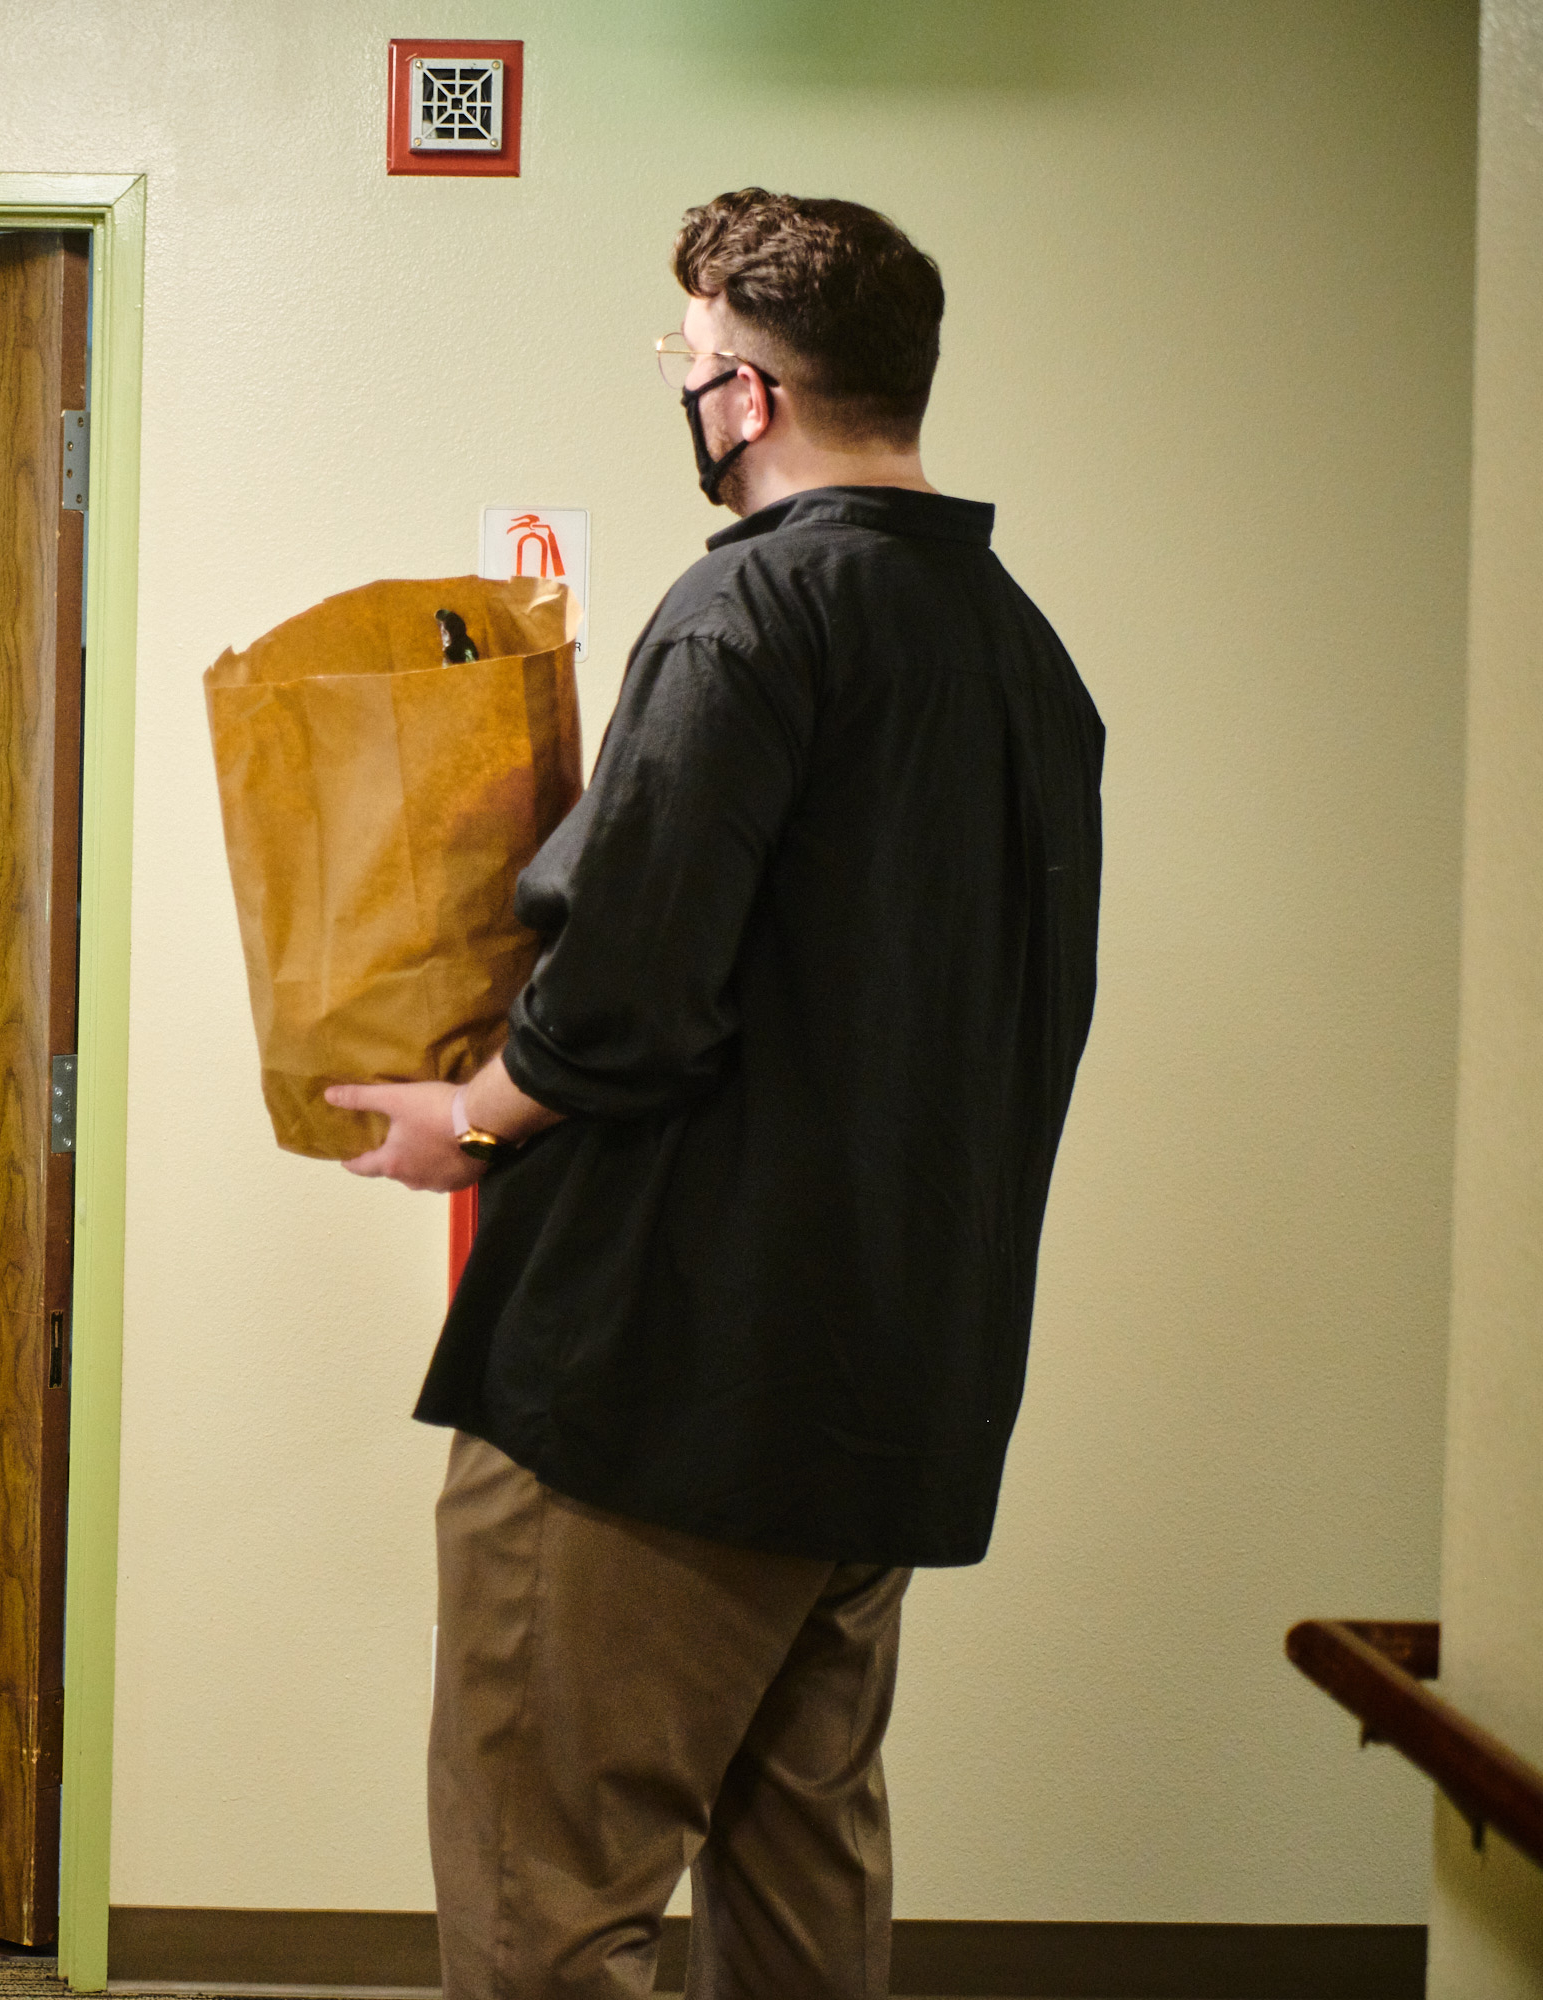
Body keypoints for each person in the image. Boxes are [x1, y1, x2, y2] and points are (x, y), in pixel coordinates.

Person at [326, 190, 1104, 1999]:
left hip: (661, 1393)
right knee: (803, 1871)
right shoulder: (1019, 654)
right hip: (889, 1391)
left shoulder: (749, 611)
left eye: (684, 364)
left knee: (551, 1906)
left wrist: (476, 1115)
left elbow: (629, 997)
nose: (682, 392)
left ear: (744, 396)